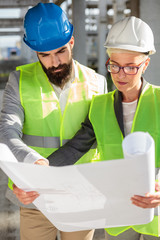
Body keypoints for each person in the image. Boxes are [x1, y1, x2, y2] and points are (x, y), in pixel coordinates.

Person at [0, 2, 107, 240]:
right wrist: (32, 166)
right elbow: (7, 132)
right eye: (44, 55)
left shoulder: (97, 83)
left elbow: (94, 137)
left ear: (71, 42)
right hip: (35, 197)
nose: (54, 62)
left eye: (60, 51)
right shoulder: (19, 81)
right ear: (35, 52)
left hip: (81, 194)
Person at [47, 16, 160, 239]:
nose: (120, 75)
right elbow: (75, 149)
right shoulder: (99, 106)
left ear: (145, 64)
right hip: (119, 213)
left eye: (130, 67)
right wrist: (39, 171)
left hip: (155, 214)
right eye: (114, 66)